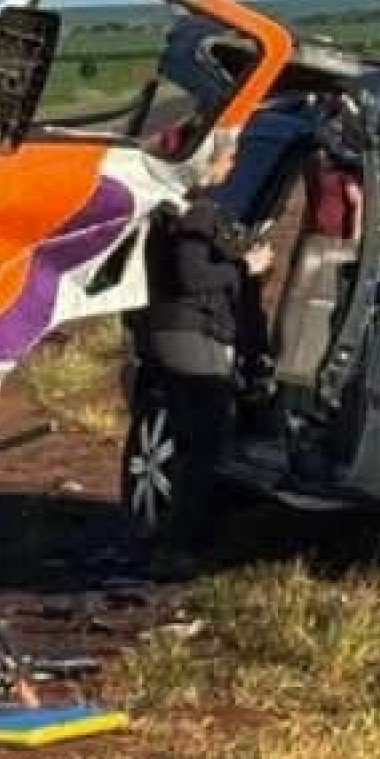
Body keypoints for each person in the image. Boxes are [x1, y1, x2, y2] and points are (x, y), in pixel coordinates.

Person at [144, 132, 273, 579]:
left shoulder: (169, 209)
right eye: (230, 157)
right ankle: (182, 550)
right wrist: (245, 268)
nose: (233, 165)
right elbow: (193, 273)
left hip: (164, 333)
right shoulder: (199, 215)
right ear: (209, 162)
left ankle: (171, 543)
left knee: (187, 444)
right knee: (205, 445)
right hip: (191, 336)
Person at [302, 147, 363, 242]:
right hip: (316, 235)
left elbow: (357, 202)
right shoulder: (311, 172)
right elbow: (310, 203)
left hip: (338, 237)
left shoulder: (343, 175)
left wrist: (355, 236)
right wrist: (304, 232)